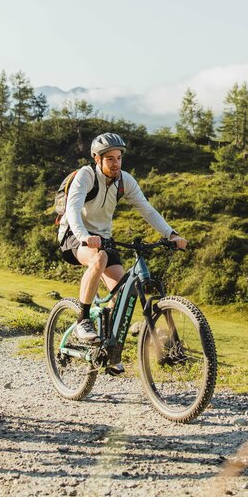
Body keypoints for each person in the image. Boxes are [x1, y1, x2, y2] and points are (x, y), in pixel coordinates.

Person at [57, 132, 187, 363]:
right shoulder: (86, 176)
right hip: (75, 235)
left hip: (104, 239)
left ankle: (109, 352)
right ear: (97, 159)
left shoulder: (125, 181)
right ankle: (83, 320)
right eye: (110, 159)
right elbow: (73, 211)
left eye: (118, 158)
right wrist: (85, 236)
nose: (116, 163)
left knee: (122, 295)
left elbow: (146, 209)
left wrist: (171, 234)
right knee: (99, 259)